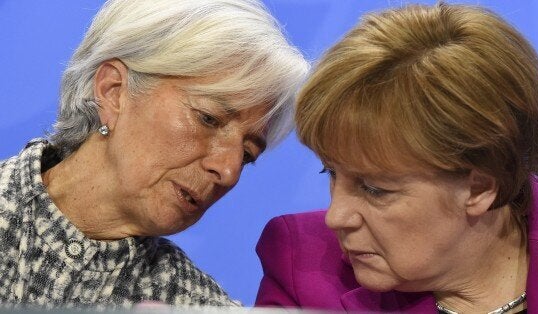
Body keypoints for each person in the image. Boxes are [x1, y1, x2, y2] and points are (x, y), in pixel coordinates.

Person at [255, 3, 538, 313]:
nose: (336, 216)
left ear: (479, 187)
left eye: (374, 189)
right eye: (332, 172)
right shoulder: (300, 266)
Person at [0, 0, 308, 308]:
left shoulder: (192, 305)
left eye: (247, 154)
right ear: (113, 91)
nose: (228, 170)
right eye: (208, 119)